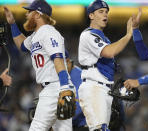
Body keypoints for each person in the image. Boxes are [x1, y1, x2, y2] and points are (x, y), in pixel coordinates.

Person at [4, 0, 75, 130]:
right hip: (55, 87)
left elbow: (58, 58)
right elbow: (22, 45)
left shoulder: (49, 32)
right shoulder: (36, 35)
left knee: (37, 128)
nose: (27, 15)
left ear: (38, 14)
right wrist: (12, 24)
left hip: (56, 87)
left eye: (30, 11)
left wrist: (64, 87)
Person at [78, 0, 133, 130]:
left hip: (103, 89)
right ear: (91, 15)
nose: (105, 15)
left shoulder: (104, 38)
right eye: (101, 12)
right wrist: (129, 34)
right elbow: (109, 52)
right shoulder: (88, 34)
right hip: (93, 87)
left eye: (106, 12)